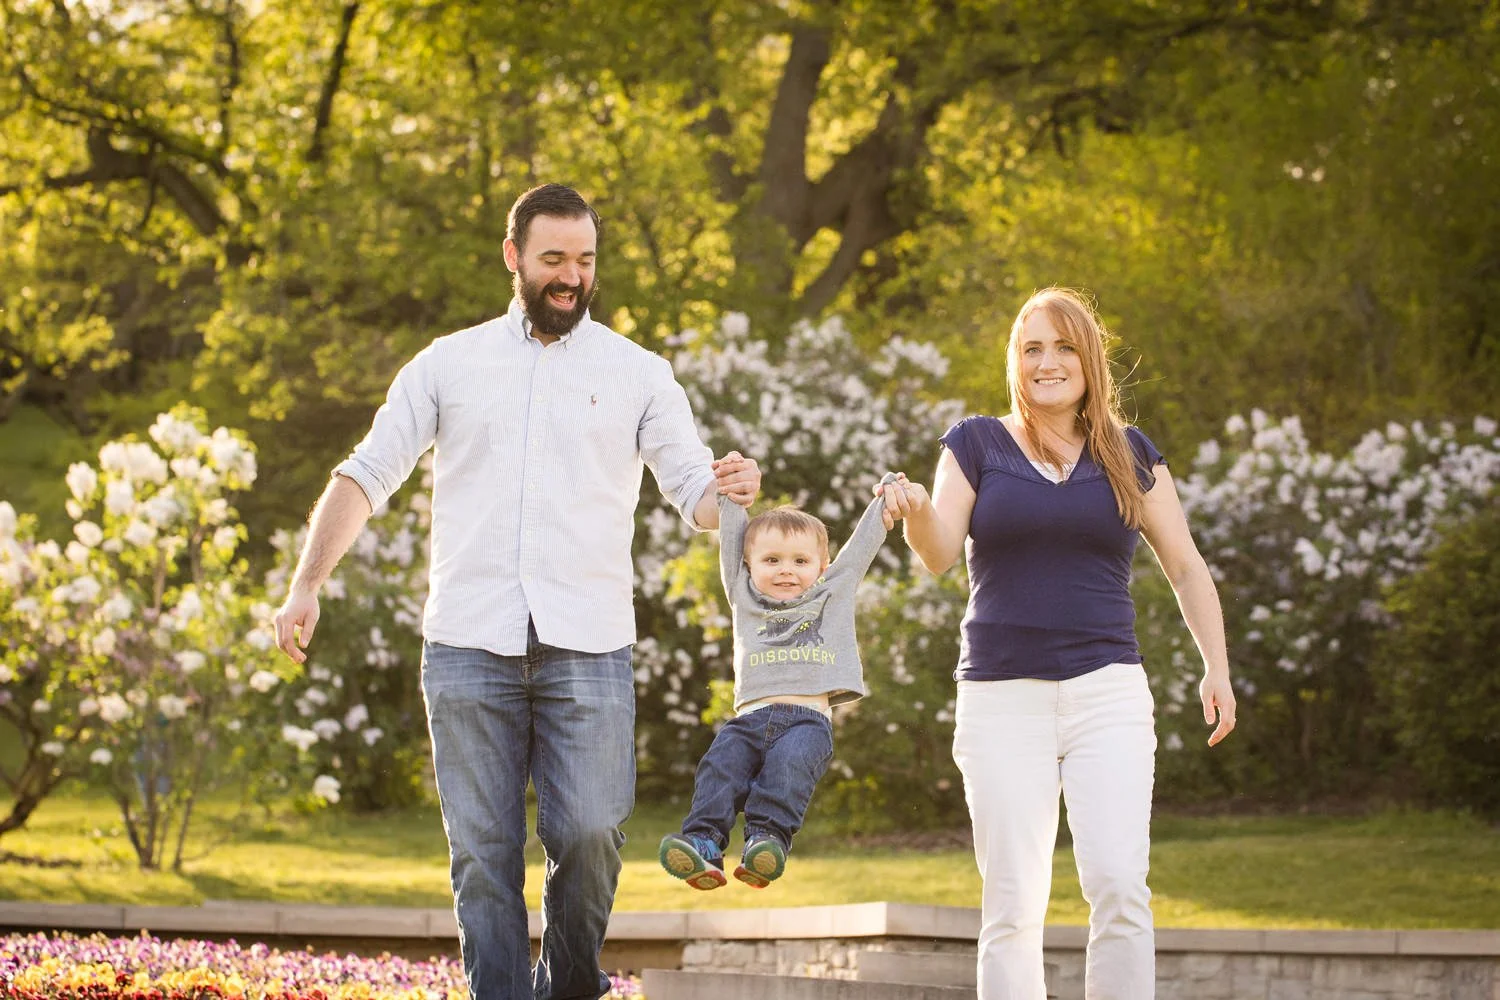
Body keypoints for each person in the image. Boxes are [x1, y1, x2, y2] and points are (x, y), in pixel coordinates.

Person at [271, 183, 762, 1000]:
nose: (572, 277)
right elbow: (365, 472)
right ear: (514, 258)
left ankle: (571, 988)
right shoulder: (449, 364)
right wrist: (305, 584)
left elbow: (695, 495)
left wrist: (732, 486)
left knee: (593, 832)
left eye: (585, 260)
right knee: (482, 851)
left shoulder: (638, 372)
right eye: (554, 260)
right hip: (468, 643)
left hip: (589, 642)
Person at [889, 287, 1236, 1000]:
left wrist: (1217, 668)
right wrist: (919, 510)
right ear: (1015, 362)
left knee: (1118, 884)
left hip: (1106, 691)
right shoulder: (976, 443)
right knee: (1013, 901)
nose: (1048, 362)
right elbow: (939, 552)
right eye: (1032, 348)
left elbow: (1185, 564)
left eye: (1064, 346)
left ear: (1090, 358)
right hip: (1001, 696)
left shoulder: (1130, 453)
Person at [657, 474, 908, 890]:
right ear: (748, 565)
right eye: (772, 560)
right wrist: (730, 491)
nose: (786, 570)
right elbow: (733, 528)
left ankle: (766, 842)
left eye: (800, 561)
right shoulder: (742, 593)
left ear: (822, 567)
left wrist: (885, 499)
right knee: (719, 768)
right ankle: (703, 843)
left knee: (787, 773)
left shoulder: (832, 592)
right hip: (748, 720)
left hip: (806, 722)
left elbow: (863, 547)